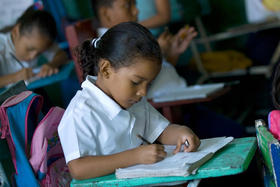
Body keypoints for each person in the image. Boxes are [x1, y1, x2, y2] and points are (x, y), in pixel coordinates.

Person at [58, 22, 200, 180]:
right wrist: (134, 157)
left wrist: (180, 133)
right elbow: (78, 169)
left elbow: (161, 131)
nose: (143, 92)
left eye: (149, 84)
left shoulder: (135, 101)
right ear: (106, 69)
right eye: (135, 82)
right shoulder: (80, 113)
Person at [92, 0, 197, 98]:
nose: (136, 11)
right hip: (165, 107)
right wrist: (159, 53)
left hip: (178, 97)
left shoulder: (129, 40)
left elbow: (157, 78)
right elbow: (138, 91)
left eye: (135, 4)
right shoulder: (109, 48)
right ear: (106, 14)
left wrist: (173, 53)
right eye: (127, 6)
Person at [0, 5, 68, 88]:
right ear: (16, 31)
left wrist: (51, 65)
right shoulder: (1, 45)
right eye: (30, 49)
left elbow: (62, 55)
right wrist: (15, 77)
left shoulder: (39, 41)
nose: (33, 56)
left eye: (39, 53)